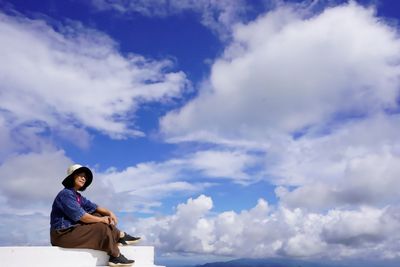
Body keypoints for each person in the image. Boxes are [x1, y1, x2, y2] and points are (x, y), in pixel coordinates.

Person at [50, 164, 141, 266]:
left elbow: (94, 207)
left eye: (85, 176)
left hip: (70, 231)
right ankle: (115, 256)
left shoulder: (78, 196)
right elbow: (82, 217)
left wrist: (109, 213)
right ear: (72, 177)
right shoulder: (66, 194)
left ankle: (119, 235)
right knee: (101, 227)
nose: (83, 178)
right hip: (62, 235)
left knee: (97, 214)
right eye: (80, 175)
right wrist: (102, 220)